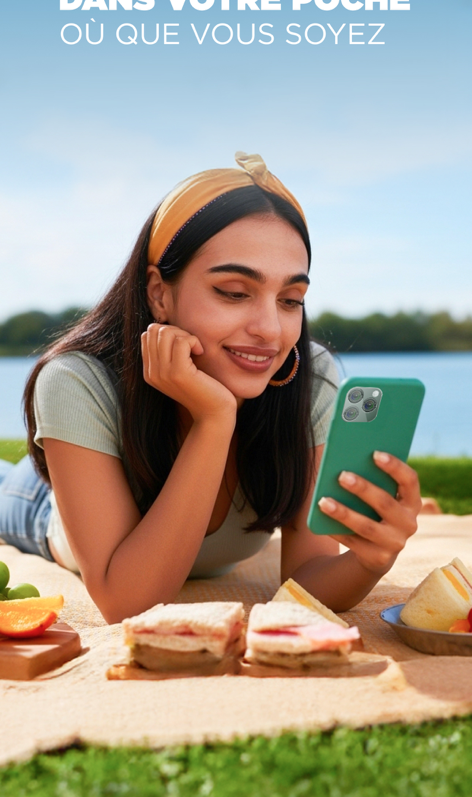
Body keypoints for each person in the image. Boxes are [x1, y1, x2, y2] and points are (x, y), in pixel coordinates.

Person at [0, 153, 422, 623]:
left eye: (290, 299)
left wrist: (368, 560)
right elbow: (125, 601)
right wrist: (215, 418)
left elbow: (308, 581)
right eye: (234, 292)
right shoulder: (78, 381)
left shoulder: (312, 380)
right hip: (37, 504)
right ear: (159, 293)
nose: (270, 330)